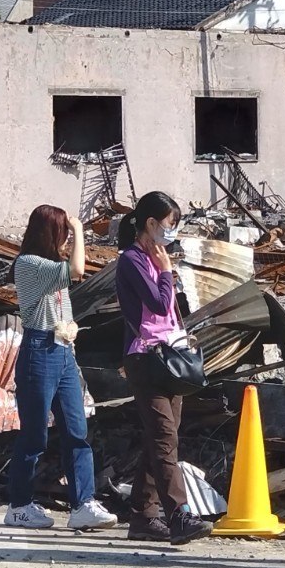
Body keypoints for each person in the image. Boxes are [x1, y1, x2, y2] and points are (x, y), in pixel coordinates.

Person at [5, 204, 117, 531]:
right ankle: (19, 505)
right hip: (39, 350)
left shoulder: (51, 265)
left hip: (63, 349)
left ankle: (83, 503)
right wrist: (80, 229)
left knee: (76, 429)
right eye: (63, 232)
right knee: (34, 434)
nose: (66, 239)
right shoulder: (29, 264)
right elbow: (77, 270)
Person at [115, 191, 213, 546]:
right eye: (170, 225)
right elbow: (157, 303)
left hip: (169, 355)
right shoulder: (132, 260)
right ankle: (179, 515)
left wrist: (167, 271)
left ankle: (143, 514)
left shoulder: (156, 259)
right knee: (163, 436)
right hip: (146, 358)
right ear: (151, 223)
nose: (172, 232)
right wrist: (167, 272)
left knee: (161, 437)